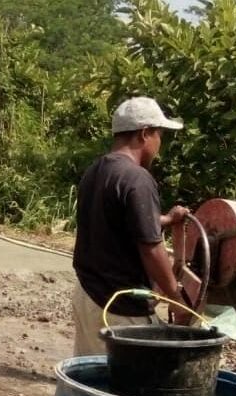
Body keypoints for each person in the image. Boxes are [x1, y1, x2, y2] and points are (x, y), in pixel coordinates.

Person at [72, 96, 190, 356]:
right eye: (159, 135)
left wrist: (167, 221)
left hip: (87, 295)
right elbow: (152, 250)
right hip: (120, 309)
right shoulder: (138, 179)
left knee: (91, 381)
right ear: (145, 134)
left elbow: (115, 219)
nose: (160, 145)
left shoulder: (96, 170)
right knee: (131, 388)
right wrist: (176, 298)